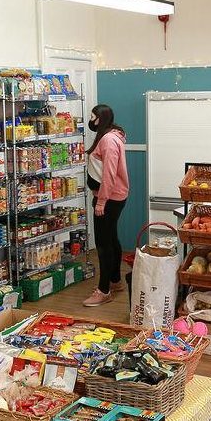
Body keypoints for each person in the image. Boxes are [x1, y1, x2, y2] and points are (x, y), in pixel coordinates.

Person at [82, 104, 129, 307]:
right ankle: (116, 280)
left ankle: (103, 290)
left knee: (102, 245)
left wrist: (101, 201)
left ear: (100, 119)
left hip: (108, 199)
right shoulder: (110, 135)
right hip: (111, 196)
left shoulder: (109, 140)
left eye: (93, 117)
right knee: (111, 238)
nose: (90, 120)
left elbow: (109, 172)